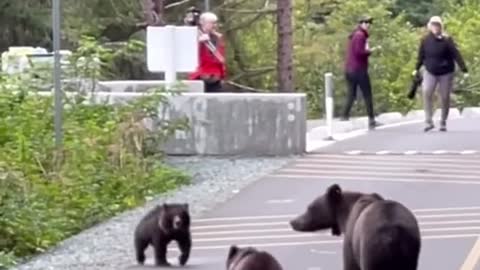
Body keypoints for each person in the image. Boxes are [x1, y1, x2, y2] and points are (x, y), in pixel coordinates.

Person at [413, 16, 468, 132]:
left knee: (444, 97)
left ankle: (443, 121)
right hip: (430, 71)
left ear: (440, 26)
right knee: (427, 92)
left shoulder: (447, 40)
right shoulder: (425, 40)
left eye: (437, 25)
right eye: (433, 25)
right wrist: (416, 68)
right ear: (430, 26)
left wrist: (464, 69)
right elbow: (420, 56)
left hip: (446, 72)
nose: (435, 27)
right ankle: (428, 121)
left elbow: (456, 54)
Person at [341, 15, 382, 130]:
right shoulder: (360, 36)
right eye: (365, 22)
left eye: (369, 22)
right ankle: (371, 119)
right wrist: (370, 51)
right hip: (358, 69)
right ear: (361, 23)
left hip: (350, 69)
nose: (368, 24)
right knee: (367, 94)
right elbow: (359, 52)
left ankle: (344, 115)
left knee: (351, 93)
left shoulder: (355, 34)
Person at [188, 12, 227, 93]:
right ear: (202, 23)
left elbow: (220, 58)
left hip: (215, 78)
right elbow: (189, 54)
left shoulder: (218, 37)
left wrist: (222, 75)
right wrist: (198, 42)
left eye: (215, 23)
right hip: (200, 77)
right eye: (212, 23)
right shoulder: (194, 35)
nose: (215, 25)